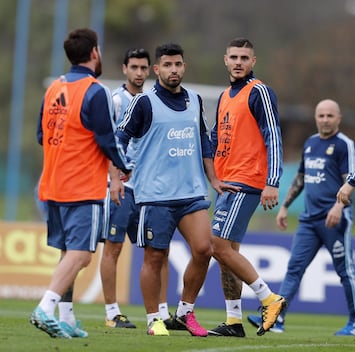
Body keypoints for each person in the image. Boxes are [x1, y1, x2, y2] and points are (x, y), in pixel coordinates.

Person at [112, 42, 239, 336]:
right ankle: (154, 319)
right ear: (157, 70)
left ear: (184, 66)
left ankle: (184, 313)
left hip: (192, 192)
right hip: (155, 195)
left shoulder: (194, 100)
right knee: (155, 257)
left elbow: (205, 142)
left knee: (204, 249)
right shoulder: (143, 103)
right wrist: (118, 174)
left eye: (178, 64)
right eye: (167, 65)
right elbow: (119, 138)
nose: (173, 70)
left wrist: (214, 179)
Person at [30, 28, 130, 339]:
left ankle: (67, 317)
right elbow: (105, 139)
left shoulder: (54, 88)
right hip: (82, 186)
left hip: (53, 184)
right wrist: (123, 166)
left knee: (67, 252)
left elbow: (40, 136)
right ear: (94, 53)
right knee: (82, 255)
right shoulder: (94, 90)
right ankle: (45, 308)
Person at [248, 99, 355, 336]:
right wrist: (285, 206)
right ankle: (277, 319)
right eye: (321, 116)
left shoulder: (345, 145)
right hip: (309, 220)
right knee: (294, 269)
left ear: (338, 118)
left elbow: (349, 180)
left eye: (330, 116)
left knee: (345, 271)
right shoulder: (310, 144)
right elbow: (301, 177)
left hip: (334, 219)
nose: (325, 120)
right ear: (316, 118)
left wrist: (339, 207)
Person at [208, 37, 286, 337]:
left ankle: (270, 298)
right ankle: (233, 321)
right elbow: (216, 138)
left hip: (247, 181)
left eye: (244, 58)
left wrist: (272, 182)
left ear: (253, 62)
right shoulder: (226, 95)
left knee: (218, 245)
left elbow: (273, 136)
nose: (239, 62)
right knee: (228, 252)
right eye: (234, 57)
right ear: (225, 60)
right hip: (226, 184)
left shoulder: (259, 91)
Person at [100, 47, 174, 329]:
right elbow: (109, 143)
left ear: (151, 70)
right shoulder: (116, 100)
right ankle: (111, 312)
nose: (140, 73)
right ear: (124, 69)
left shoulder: (155, 101)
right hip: (123, 188)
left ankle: (163, 312)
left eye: (144, 68)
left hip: (150, 190)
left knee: (159, 251)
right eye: (135, 68)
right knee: (114, 247)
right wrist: (114, 178)